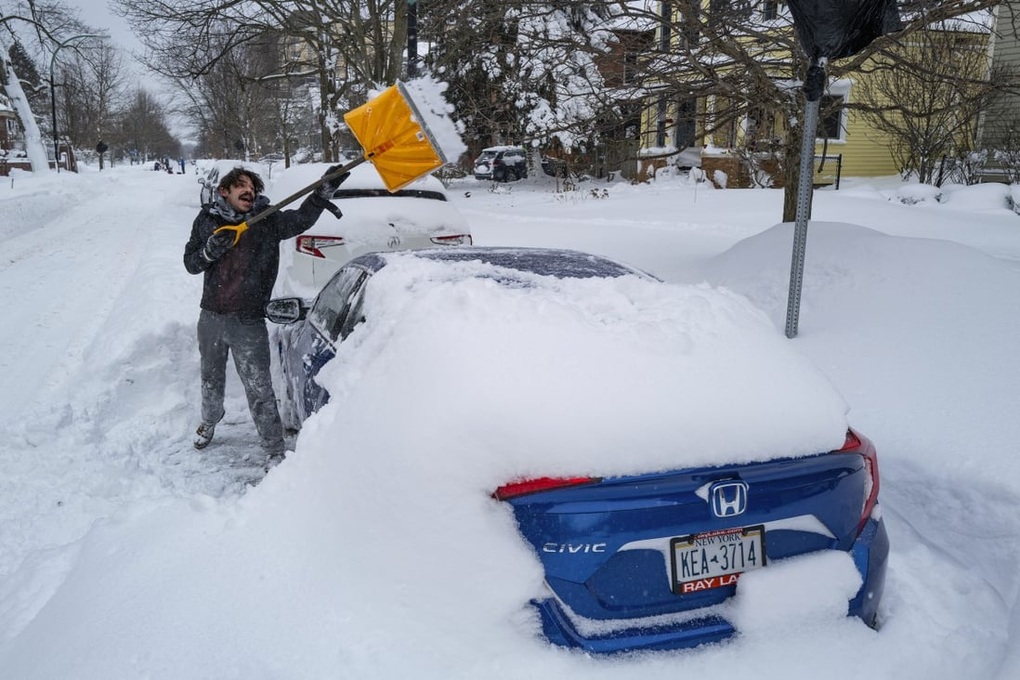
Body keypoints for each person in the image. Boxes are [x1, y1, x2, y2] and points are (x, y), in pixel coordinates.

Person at [183, 164, 349, 465]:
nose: (249, 191)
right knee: (210, 378)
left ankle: (273, 448)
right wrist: (209, 251)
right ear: (224, 191)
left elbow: (300, 219)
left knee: (259, 387)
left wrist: (322, 193)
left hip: (248, 320)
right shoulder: (207, 220)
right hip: (211, 317)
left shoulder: (266, 220)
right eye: (241, 186)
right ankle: (210, 420)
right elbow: (191, 263)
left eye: (253, 188)